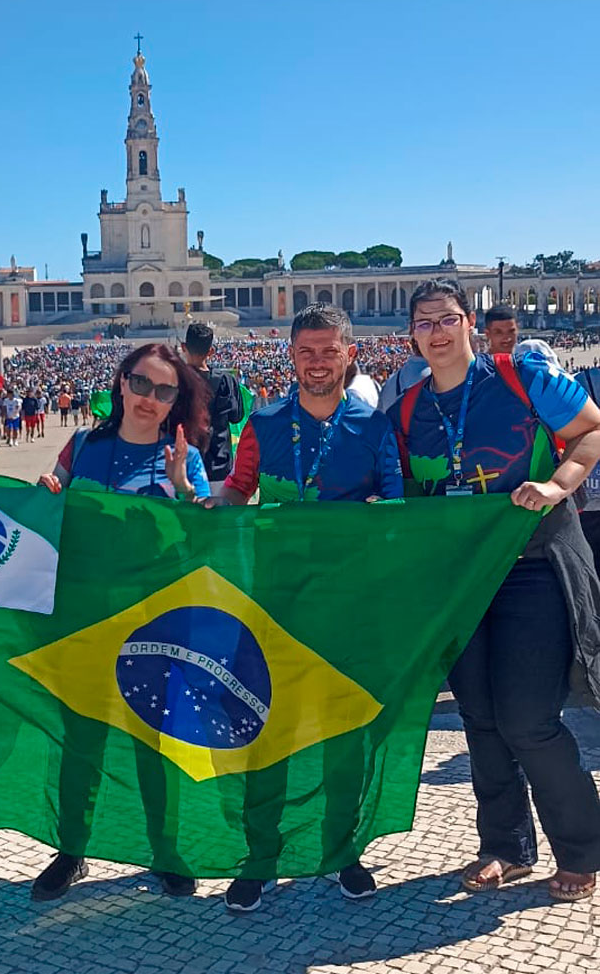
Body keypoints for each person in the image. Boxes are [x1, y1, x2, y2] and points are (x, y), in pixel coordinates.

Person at [388, 278, 600, 902]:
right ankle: (505, 847)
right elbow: (406, 494)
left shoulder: (521, 377)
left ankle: (582, 846)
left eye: (448, 318)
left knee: (530, 719)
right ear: (412, 335)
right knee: (479, 716)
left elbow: (592, 431)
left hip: (533, 563)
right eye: (424, 322)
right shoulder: (407, 410)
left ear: (469, 324)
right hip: (460, 577)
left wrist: (559, 483)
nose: (437, 331)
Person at [220, 304, 403, 911]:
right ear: (290, 355)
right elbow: (235, 493)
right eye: (307, 351)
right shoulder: (263, 422)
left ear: (351, 352)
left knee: (345, 733)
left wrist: (383, 519)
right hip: (271, 601)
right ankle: (261, 854)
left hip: (348, 604)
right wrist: (194, 496)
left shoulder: (375, 427)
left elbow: (398, 509)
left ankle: (340, 850)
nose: (318, 361)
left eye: (330, 350)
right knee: (265, 734)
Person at [35, 343, 211, 901]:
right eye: (141, 384)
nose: (149, 399)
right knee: (79, 737)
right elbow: (47, 512)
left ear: (176, 400)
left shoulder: (186, 456)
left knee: (154, 742)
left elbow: (205, 537)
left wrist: (183, 488)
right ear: (120, 382)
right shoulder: (82, 446)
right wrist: (46, 496)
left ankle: (165, 848)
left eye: (165, 391)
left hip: (156, 623)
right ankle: (71, 850)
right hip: (84, 617)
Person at [181, 322, 245, 490]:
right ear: (211, 351)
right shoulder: (225, 381)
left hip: (184, 467)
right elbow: (236, 416)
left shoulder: (175, 381)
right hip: (219, 463)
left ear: (183, 347)